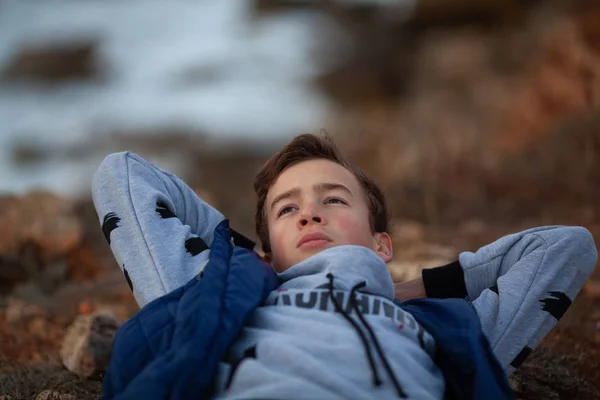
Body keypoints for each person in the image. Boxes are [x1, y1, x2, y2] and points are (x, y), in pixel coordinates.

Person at [92, 134, 597, 400]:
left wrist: (404, 292)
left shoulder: (446, 328)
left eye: (333, 200)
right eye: (287, 209)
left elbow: (566, 248)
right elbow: (124, 174)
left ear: (382, 244)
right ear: (266, 251)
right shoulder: (212, 294)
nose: (309, 212)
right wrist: (250, 257)